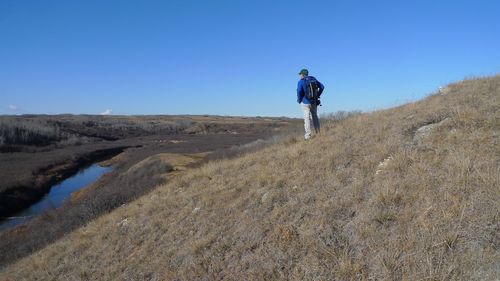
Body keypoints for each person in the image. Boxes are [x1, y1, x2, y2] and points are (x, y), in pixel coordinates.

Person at [297, 68, 324, 140]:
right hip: (314, 102)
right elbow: (322, 86)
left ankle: (308, 136)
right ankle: (318, 132)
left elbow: (299, 91)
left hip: (305, 103)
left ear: (303, 74)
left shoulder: (301, 81)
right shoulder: (313, 79)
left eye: (300, 74)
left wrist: (299, 100)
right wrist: (318, 95)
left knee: (307, 119)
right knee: (315, 116)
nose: (300, 76)